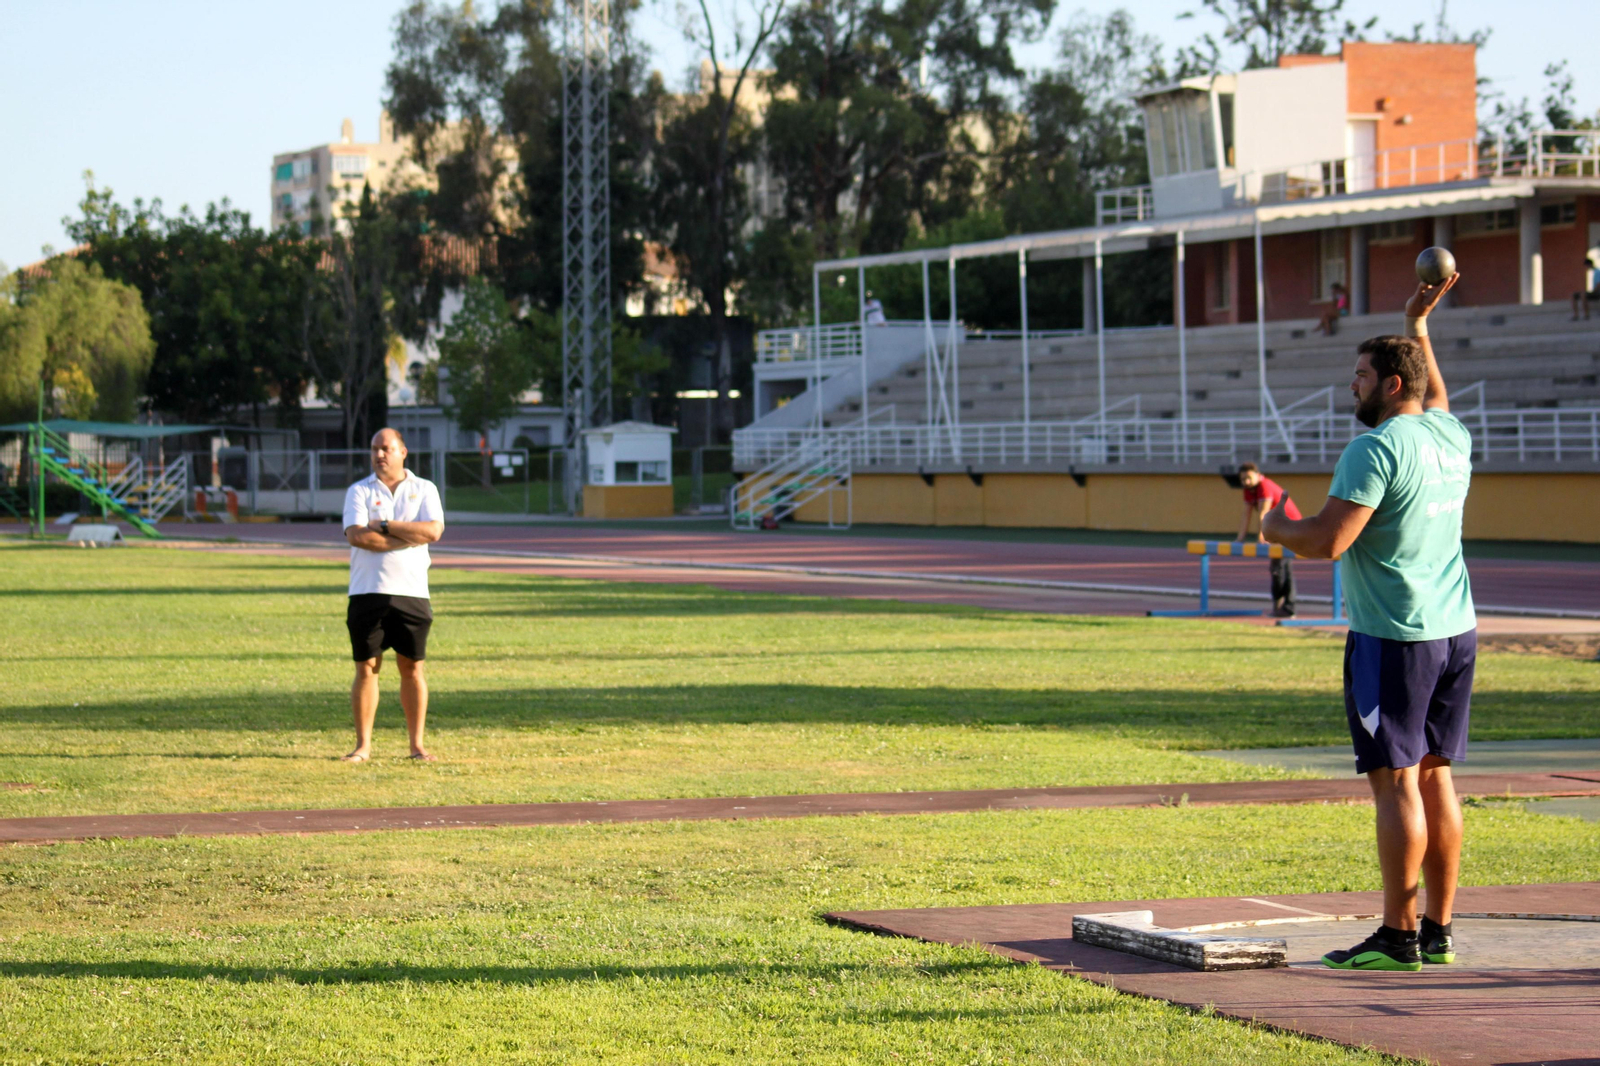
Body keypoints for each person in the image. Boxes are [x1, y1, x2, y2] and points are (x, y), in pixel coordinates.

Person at [1263, 272, 1474, 972]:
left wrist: (1275, 526)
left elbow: (1327, 540)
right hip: (1456, 633)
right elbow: (1435, 392)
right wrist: (1418, 325)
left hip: (1395, 638)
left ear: (1389, 385)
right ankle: (1438, 930)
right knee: (1438, 776)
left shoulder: (1375, 449)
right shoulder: (1449, 433)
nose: (1350, 385)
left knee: (1396, 780)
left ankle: (1398, 935)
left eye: (1359, 375)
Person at [340, 428, 445, 763]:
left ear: (403, 452)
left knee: (412, 668)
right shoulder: (359, 491)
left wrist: (384, 525)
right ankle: (363, 747)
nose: (379, 455)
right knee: (366, 668)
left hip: (412, 592)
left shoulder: (425, 488)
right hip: (367, 591)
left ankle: (416, 746)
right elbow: (358, 537)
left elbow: (433, 531)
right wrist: (408, 537)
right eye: (374, 449)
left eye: (386, 448)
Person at [1235, 462, 1300, 617]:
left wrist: (1261, 537)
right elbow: (1247, 514)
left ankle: (1287, 608)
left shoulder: (1264, 485)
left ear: (1258, 475)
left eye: (1249, 478)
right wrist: (1240, 539)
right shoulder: (1249, 490)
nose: (1246, 482)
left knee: (1280, 567)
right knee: (1278, 568)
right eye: (1243, 479)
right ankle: (1281, 607)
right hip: (1277, 530)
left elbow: (1264, 513)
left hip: (1290, 528)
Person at [1573, 253, 1597, 321]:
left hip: (1596, 291)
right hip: (1591, 291)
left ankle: (1586, 314)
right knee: (1574, 295)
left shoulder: (1597, 272)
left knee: (1583, 295)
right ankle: (1576, 315)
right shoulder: (1590, 273)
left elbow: (1598, 284)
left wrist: (1594, 291)